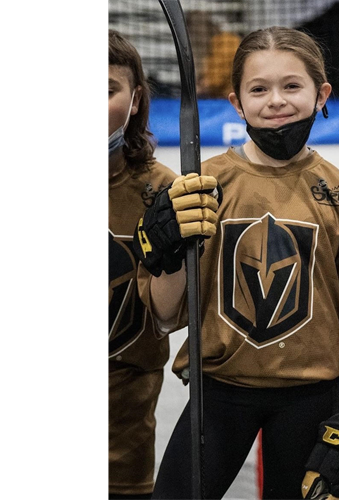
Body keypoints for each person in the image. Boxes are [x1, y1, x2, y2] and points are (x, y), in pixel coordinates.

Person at [149, 27, 339, 500]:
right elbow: (163, 315)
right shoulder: (203, 185)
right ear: (237, 102)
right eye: (259, 89)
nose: (276, 100)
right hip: (218, 391)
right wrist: (166, 255)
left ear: (322, 95)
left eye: (291, 86)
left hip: (310, 396)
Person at [109, 28, 220, 500]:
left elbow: (164, 317)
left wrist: (168, 257)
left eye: (106, 89)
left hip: (122, 442)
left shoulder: (164, 193)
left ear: (135, 101)